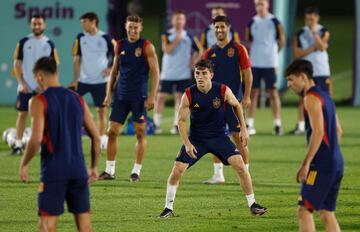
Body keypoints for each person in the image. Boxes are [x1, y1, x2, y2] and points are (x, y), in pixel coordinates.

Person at [159, 60, 267, 218]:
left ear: (211, 75)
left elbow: (237, 105)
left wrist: (243, 128)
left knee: (241, 166)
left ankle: (253, 204)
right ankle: (168, 208)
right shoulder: (189, 94)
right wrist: (187, 144)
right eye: (197, 73)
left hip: (219, 138)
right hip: (197, 140)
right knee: (177, 170)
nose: (200, 77)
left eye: (204, 73)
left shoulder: (222, 90)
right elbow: (181, 121)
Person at [19, 57, 100, 232]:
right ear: (56, 72)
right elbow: (96, 137)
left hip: (53, 172)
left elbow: (35, 139)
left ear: (40, 77)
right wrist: (93, 167)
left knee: (46, 225)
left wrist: (24, 164)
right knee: (85, 225)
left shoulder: (39, 101)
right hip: (78, 171)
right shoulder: (78, 99)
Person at [99, 15, 160, 182]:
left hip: (139, 97)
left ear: (140, 28)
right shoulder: (120, 45)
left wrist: (152, 95)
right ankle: (109, 171)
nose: (133, 30)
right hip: (121, 96)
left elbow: (155, 72)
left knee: (140, 134)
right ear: (126, 27)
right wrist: (108, 92)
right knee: (112, 132)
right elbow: (114, 71)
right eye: (130, 27)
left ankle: (136, 171)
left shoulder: (147, 46)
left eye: (136, 27)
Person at [286, 59, 343, 232]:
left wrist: (306, 164)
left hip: (322, 165)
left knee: (304, 210)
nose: (289, 84)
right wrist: (331, 156)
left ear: (303, 77)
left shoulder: (310, 98)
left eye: (291, 79)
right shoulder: (326, 95)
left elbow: (318, 132)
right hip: (336, 162)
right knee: (326, 213)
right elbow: (338, 131)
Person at [202, 15, 252, 184]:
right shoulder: (209, 52)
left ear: (228, 28)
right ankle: (218, 175)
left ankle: (246, 172)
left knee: (238, 137)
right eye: (216, 27)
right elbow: (204, 76)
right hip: (214, 103)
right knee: (215, 138)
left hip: (233, 101)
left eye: (222, 27)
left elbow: (247, 73)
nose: (219, 30)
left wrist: (246, 96)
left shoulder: (238, 49)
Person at [12, 14, 59, 154]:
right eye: (34, 24)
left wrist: (49, 86)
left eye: (39, 23)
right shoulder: (23, 42)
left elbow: (55, 67)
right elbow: (17, 64)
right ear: (30, 25)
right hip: (26, 87)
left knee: (45, 116)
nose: (37, 26)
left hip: (43, 88)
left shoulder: (49, 44)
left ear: (44, 25)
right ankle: (18, 145)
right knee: (22, 115)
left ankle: (45, 144)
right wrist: (22, 83)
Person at [69, 12, 115, 147]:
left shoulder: (106, 38)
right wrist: (76, 79)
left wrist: (111, 68)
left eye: (84, 22)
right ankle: (86, 120)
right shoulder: (80, 37)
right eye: (81, 22)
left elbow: (119, 53)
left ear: (93, 21)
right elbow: (76, 59)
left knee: (102, 112)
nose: (82, 25)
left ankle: (100, 139)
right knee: (71, 105)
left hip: (101, 81)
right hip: (83, 81)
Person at [153, 10, 200, 134]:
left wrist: (192, 62)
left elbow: (198, 50)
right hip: (168, 73)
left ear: (184, 21)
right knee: (161, 97)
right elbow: (166, 50)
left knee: (180, 99)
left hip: (183, 73)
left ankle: (176, 125)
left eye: (181, 19)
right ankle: (156, 125)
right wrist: (178, 39)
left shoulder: (189, 36)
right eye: (177, 19)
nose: (179, 21)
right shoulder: (166, 34)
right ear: (173, 21)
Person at [245, 0, 285, 136]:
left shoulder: (274, 21)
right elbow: (250, 40)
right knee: (253, 93)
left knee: (273, 92)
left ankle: (277, 124)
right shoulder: (252, 22)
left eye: (262, 4)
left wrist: (272, 56)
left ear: (267, 5)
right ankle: (249, 124)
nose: (260, 7)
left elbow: (282, 40)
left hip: (270, 63)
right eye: (257, 4)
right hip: (255, 63)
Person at [292, 7, 332, 135]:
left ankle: (327, 124)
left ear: (317, 18)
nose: (309, 21)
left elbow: (321, 47)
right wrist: (312, 48)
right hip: (306, 71)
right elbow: (297, 53)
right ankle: (301, 125)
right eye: (308, 19)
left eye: (312, 19)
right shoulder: (300, 33)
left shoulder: (323, 31)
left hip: (322, 70)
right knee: (303, 98)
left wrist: (315, 33)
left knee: (326, 98)